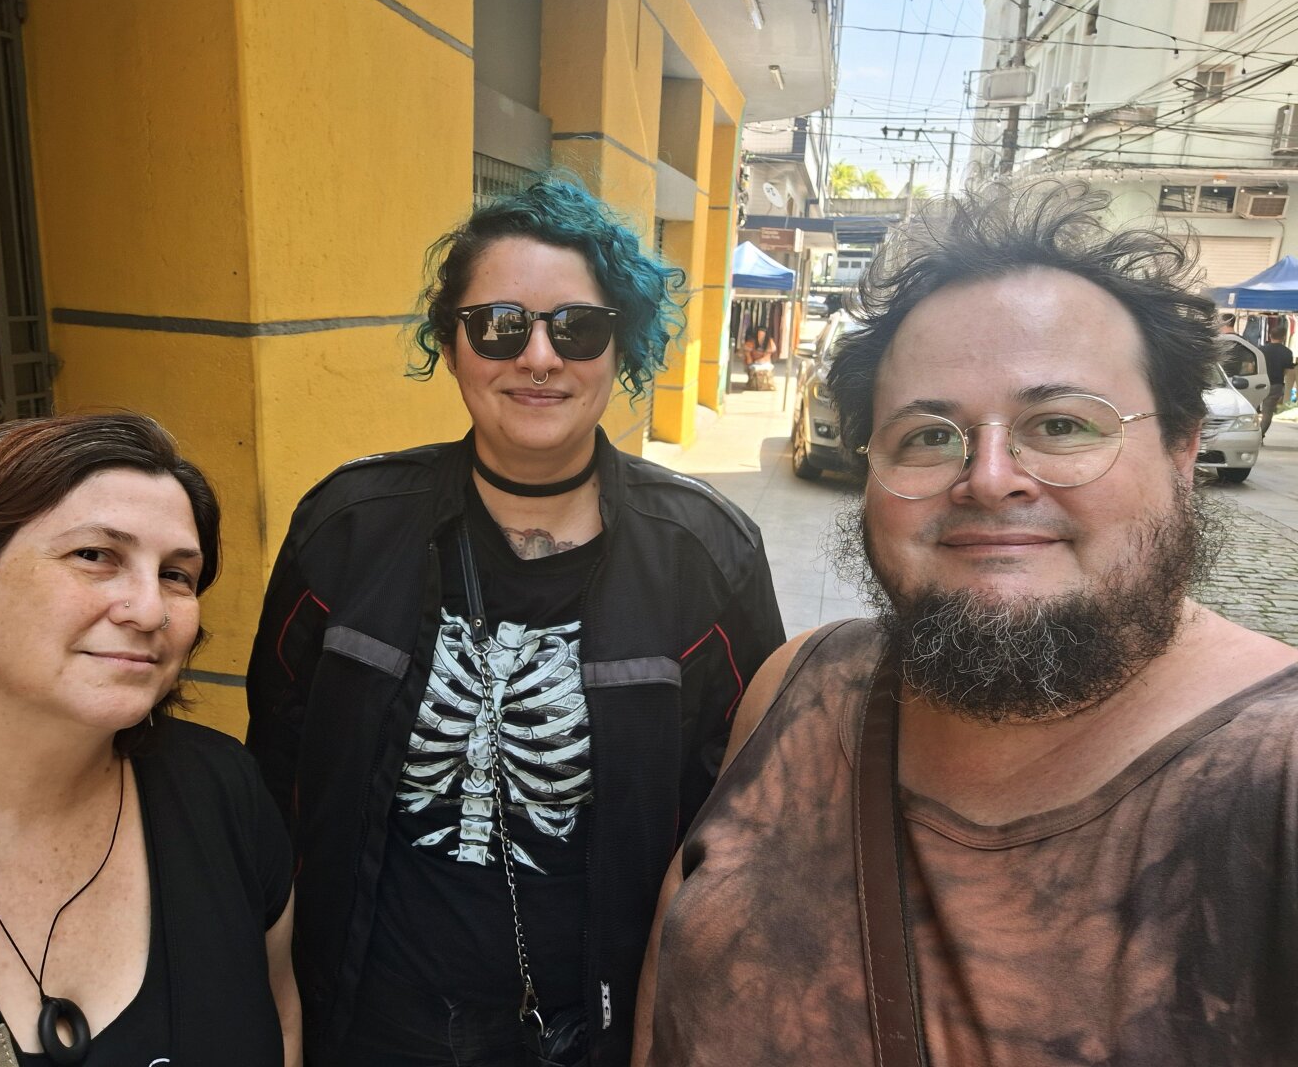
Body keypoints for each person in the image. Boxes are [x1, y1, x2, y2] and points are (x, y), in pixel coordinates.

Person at [633, 181, 1298, 1065]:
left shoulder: (1273, 774)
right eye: (929, 436)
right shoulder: (797, 691)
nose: (988, 477)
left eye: (1059, 424)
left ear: (1182, 452)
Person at [246, 177, 785, 1067]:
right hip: (367, 1019)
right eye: (500, 325)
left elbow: (746, 823)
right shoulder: (346, 528)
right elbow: (277, 773)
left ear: (622, 351)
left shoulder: (705, 556)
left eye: (578, 328)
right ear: (452, 345)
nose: (539, 357)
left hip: (590, 1029)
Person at [0, 414, 301, 1066]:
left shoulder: (219, 791)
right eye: (95, 556)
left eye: (177, 574)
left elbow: (282, 1024)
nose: (150, 610)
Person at [1257, 328, 1294, 435]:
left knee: (1252, 409)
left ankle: (1252, 434)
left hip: (1259, 383)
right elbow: (1286, 371)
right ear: (1283, 337)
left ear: (1269, 335)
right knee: (1267, 413)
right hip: (1275, 384)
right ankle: (1260, 435)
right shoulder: (1287, 352)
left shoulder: (1261, 350)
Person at [744, 326, 775, 391]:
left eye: (762, 334)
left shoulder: (769, 342)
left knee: (765, 368)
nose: (760, 336)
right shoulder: (752, 342)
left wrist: (762, 360)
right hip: (754, 361)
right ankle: (752, 383)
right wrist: (749, 358)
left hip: (764, 361)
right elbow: (747, 352)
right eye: (759, 334)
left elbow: (768, 355)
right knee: (752, 367)